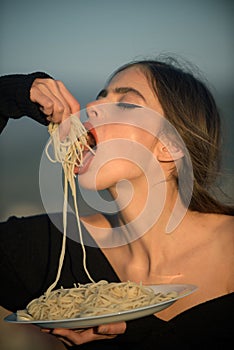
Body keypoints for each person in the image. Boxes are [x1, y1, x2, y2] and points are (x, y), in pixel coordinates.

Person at [0, 58, 233, 349]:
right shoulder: (55, 248)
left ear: (169, 146)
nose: (93, 107)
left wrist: (137, 334)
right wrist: (9, 96)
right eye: (100, 97)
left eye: (125, 104)